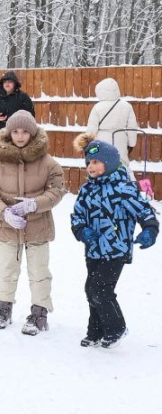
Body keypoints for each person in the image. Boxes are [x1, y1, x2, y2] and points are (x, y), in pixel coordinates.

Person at [0, 110, 65, 334]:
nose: (19, 136)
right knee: (7, 269)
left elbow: (56, 190)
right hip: (6, 227)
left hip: (38, 227)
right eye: (15, 131)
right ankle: (3, 308)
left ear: (32, 133)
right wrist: (3, 212)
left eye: (24, 131)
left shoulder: (48, 163)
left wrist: (34, 204)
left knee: (39, 270)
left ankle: (39, 312)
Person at [70, 137, 158, 348]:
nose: (90, 166)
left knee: (101, 289)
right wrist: (82, 231)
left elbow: (145, 212)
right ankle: (96, 331)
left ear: (108, 163)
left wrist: (150, 230)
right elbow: (77, 216)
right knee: (90, 288)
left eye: (96, 162)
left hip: (116, 249)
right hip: (93, 250)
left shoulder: (124, 189)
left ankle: (116, 328)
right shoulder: (86, 190)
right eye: (88, 162)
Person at [84, 78, 140, 168]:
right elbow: (132, 128)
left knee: (102, 167)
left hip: (102, 141)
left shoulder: (97, 107)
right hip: (120, 140)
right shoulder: (126, 106)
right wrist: (131, 143)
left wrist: (88, 146)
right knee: (122, 166)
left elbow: (91, 130)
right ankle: (123, 181)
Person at [0, 71, 35, 137]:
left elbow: (30, 115)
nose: (7, 84)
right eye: (5, 82)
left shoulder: (23, 97)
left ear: (15, 83)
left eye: (10, 82)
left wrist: (15, 120)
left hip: (17, 135)